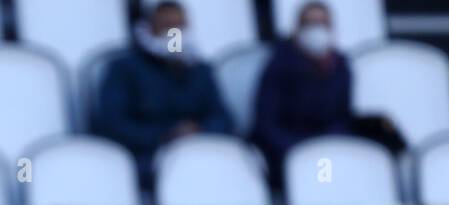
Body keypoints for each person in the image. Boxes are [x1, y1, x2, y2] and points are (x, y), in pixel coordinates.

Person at [252, 1, 403, 183]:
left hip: (327, 150)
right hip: (288, 151)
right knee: (318, 173)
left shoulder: (340, 65)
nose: (317, 30)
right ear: (297, 28)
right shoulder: (279, 66)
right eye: (310, 24)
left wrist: (331, 142)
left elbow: (342, 115)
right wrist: (299, 150)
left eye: (323, 24)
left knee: (336, 173)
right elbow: (267, 124)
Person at [95, 0, 232, 190]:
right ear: (149, 27)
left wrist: (198, 130)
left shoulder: (200, 70)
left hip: (198, 153)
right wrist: (165, 135)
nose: (173, 34)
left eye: (179, 26)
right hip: (146, 157)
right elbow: (112, 123)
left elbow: (223, 118)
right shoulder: (124, 69)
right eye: (167, 26)